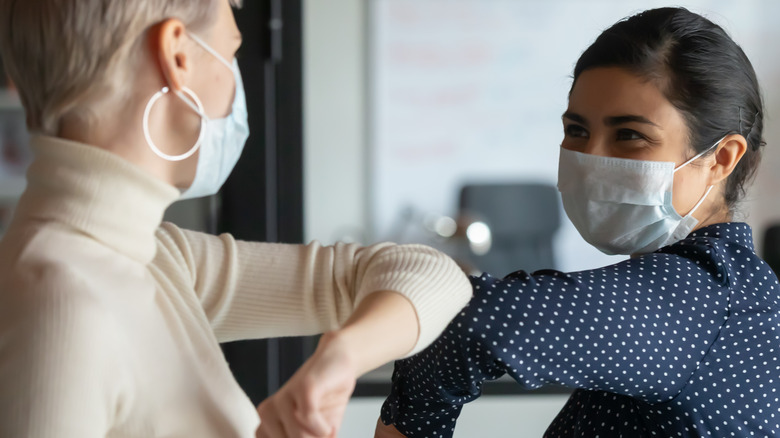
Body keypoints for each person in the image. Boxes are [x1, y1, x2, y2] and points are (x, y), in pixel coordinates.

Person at [0, 1, 473, 437]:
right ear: (178, 55)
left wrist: (342, 355)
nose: (234, 80)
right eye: (232, 50)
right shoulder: (57, 303)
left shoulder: (158, 257)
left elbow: (433, 274)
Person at [376, 7, 772, 437]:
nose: (592, 159)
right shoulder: (739, 288)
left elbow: (461, 322)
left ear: (721, 159)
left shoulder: (699, 296)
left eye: (629, 135)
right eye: (577, 130)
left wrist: (339, 359)